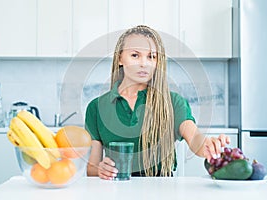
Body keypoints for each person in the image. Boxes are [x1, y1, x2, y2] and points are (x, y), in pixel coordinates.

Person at [85, 25, 230, 180]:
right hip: (116, 189)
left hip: (162, 190)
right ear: (120, 58)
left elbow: (195, 139)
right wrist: (101, 169)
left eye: (151, 57)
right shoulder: (96, 107)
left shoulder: (173, 102)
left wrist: (208, 145)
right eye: (135, 55)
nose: (144, 63)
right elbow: (92, 167)